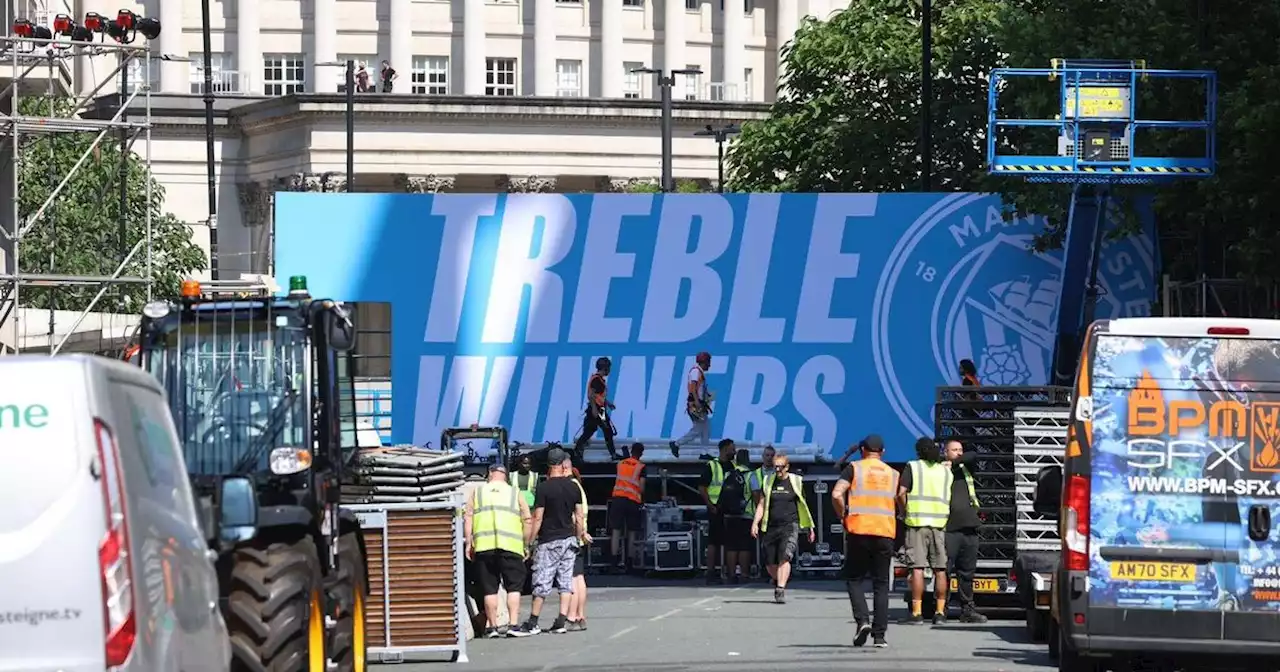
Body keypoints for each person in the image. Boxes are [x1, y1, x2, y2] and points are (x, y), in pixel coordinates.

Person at [510, 449, 587, 636]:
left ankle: (533, 621)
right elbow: (579, 516)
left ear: (549, 466)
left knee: (542, 581)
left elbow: (538, 517)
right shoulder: (573, 487)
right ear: (562, 465)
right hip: (569, 540)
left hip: (549, 540)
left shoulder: (544, 488)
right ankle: (561, 621)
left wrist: (530, 541)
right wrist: (578, 536)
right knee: (565, 582)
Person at [832, 435, 898, 649]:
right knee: (881, 584)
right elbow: (901, 498)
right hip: (885, 532)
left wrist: (843, 515)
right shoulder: (893, 474)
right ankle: (880, 636)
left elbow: (836, 494)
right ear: (884, 451)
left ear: (862, 450)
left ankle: (862, 621)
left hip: (859, 530)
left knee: (854, 578)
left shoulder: (854, 468)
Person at [462, 463, 532, 638]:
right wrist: (525, 544)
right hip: (511, 546)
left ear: (490, 474)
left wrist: (469, 543)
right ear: (505, 476)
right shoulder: (515, 493)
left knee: (489, 589)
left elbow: (468, 518)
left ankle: (492, 628)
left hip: (484, 547)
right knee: (513, 587)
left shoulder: (477, 493)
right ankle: (513, 625)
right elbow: (528, 520)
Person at [898, 437, 953, 625]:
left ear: (919, 452)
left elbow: (900, 493)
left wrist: (903, 512)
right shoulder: (946, 472)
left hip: (917, 523)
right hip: (939, 524)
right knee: (940, 569)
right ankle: (940, 613)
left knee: (918, 569)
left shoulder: (913, 467)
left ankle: (917, 613)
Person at [750, 452, 815, 603]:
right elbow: (761, 504)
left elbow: (804, 505)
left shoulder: (796, 481)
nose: (778, 470)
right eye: (775, 467)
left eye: (781, 467)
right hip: (771, 525)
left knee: (785, 557)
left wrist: (810, 527)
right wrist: (755, 523)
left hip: (790, 525)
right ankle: (779, 578)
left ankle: (780, 589)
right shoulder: (767, 481)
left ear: (787, 467)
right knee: (770, 563)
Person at [943, 439, 987, 623]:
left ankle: (967, 609)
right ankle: (941, 609)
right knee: (944, 571)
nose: (959, 453)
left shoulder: (965, 468)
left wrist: (954, 461)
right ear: (945, 452)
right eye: (954, 450)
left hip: (969, 528)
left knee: (967, 573)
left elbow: (973, 455)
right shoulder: (940, 470)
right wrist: (946, 465)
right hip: (949, 528)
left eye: (960, 449)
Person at [699, 438, 749, 584]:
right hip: (716, 508)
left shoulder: (734, 466)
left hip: (730, 510)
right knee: (714, 541)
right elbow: (702, 487)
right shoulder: (712, 465)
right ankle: (710, 573)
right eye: (732, 448)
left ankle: (726, 572)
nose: (734, 451)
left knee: (728, 542)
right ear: (724, 449)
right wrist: (710, 505)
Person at [607, 442, 646, 571]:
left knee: (616, 530)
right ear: (641, 453)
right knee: (632, 532)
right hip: (632, 501)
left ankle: (613, 562)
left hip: (618, 499)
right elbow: (641, 488)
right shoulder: (641, 467)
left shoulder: (620, 464)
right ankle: (629, 563)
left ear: (631, 450)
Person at [573, 357, 619, 461]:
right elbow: (591, 395)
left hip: (599, 408)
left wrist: (608, 403)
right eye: (609, 368)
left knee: (595, 430)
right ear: (605, 368)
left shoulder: (599, 380)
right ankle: (578, 451)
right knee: (604, 430)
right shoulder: (596, 380)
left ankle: (612, 453)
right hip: (597, 409)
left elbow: (599, 395)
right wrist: (594, 409)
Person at [670, 351, 713, 458]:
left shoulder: (699, 372)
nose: (710, 365)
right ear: (704, 362)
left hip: (698, 404)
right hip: (695, 404)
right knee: (698, 429)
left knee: (705, 428)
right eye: (708, 362)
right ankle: (676, 444)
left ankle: (704, 452)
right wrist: (697, 402)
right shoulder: (696, 372)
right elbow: (693, 388)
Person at [748, 444, 778, 582]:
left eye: (772, 456)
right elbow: (756, 496)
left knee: (780, 545)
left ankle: (780, 572)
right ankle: (768, 571)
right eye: (767, 455)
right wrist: (760, 515)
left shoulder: (779, 473)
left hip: (778, 514)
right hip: (764, 515)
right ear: (762, 457)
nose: (769, 458)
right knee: (766, 546)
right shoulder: (756, 474)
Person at [566, 467, 591, 631]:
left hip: (573, 537)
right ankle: (580, 615)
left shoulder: (571, 487)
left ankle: (571, 616)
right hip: (580, 537)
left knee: (572, 579)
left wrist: (578, 533)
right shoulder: (579, 486)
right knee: (579, 578)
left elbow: (576, 515)